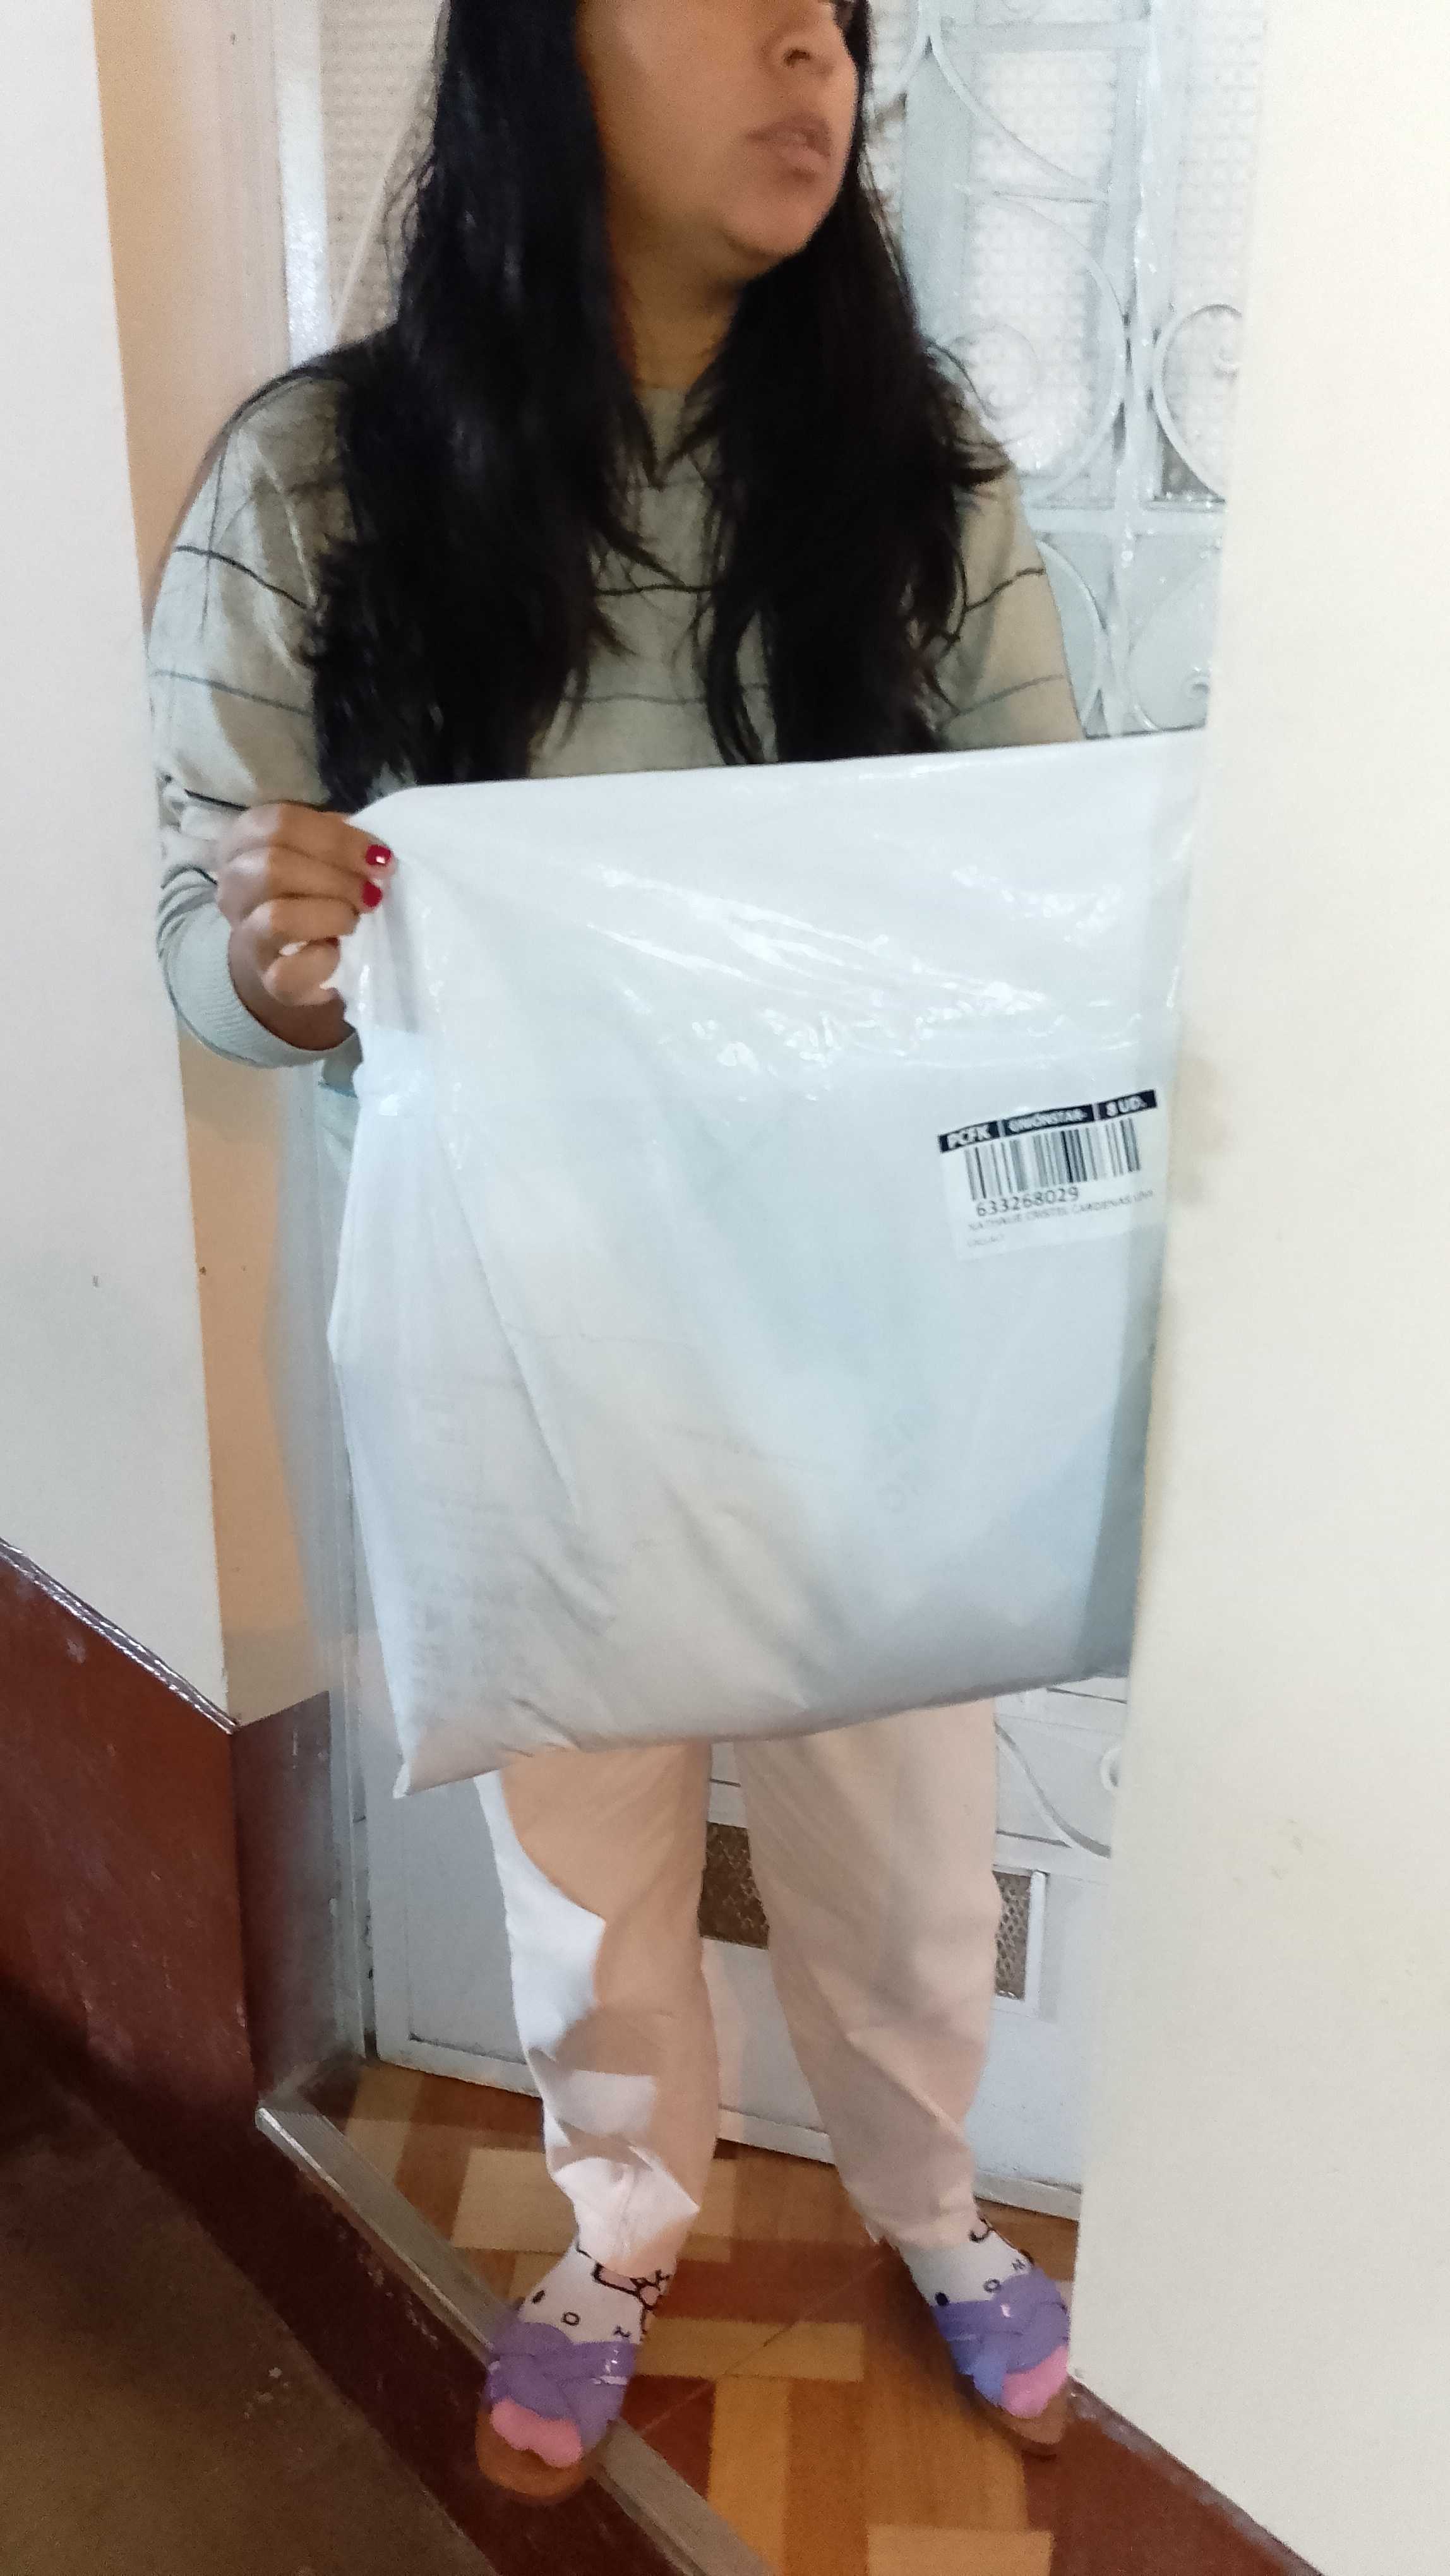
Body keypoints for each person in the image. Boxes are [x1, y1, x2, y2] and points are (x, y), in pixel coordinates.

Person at [151, 0, 1082, 2504]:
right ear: (535, 52)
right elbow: (202, 932)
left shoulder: (916, 483)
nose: (810, 49)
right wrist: (276, 960)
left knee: (906, 1833)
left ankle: (933, 2201)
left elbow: (1041, 894)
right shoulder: (320, 482)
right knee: (582, 1854)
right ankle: (619, 2223)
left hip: (867, 1333)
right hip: (524, 1335)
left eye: (840, 16)